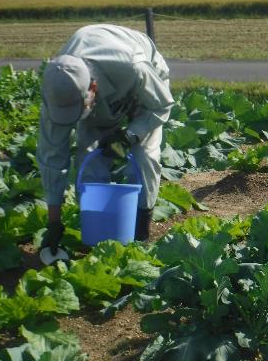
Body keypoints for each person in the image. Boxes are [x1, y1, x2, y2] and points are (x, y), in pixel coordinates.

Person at [37, 24, 174, 256]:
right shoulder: (57, 91)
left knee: (143, 156)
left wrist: (129, 136)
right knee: (88, 160)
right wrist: (54, 221)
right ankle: (97, 237)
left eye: (77, 110)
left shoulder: (133, 66)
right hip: (95, 101)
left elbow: (161, 106)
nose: (71, 118)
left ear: (92, 88)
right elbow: (52, 155)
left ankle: (140, 229)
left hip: (146, 92)